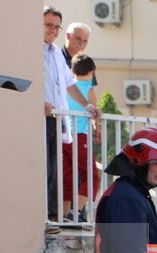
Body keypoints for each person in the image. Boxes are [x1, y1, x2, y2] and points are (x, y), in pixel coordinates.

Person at [44, 6, 99, 224]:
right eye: (49, 25)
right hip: (47, 120)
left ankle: (60, 215)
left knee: (58, 173)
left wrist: (87, 106)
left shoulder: (56, 53)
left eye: (56, 27)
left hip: (61, 123)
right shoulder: (34, 51)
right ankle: (56, 215)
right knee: (54, 172)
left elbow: (69, 84)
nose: (53, 31)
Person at [62, 54, 100, 224]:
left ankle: (64, 214)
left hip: (64, 135)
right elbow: (93, 113)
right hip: (81, 135)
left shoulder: (66, 87)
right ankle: (76, 211)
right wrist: (97, 128)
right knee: (91, 176)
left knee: (68, 175)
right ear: (91, 72)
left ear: (72, 70)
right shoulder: (89, 89)